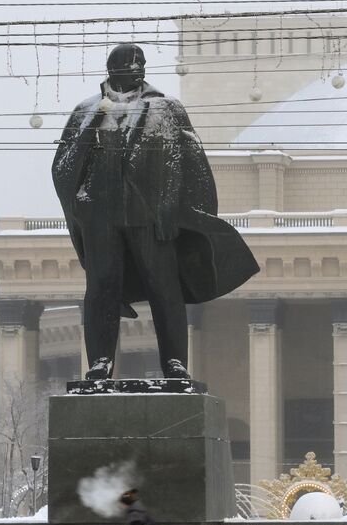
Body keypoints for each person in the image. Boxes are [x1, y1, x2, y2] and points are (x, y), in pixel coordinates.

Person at [53, 43, 258, 381]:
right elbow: (63, 167)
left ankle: (174, 363)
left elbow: (192, 165)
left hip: (150, 218)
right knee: (101, 289)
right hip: (100, 218)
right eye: (130, 63)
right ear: (112, 68)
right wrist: (81, 209)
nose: (138, 68)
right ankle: (100, 362)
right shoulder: (86, 112)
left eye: (141, 63)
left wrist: (183, 213)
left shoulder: (166, 109)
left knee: (165, 287)